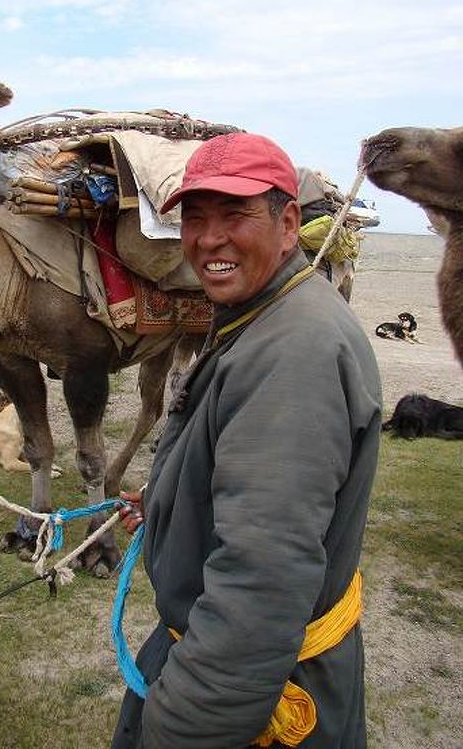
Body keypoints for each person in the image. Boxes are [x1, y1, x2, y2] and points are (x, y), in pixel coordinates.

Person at [111, 133, 381, 748]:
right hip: (236, 652)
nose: (209, 239)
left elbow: (263, 576)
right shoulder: (265, 313)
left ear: (287, 223)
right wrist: (171, 504)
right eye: (194, 218)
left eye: (234, 215)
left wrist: (185, 725)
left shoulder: (295, 354)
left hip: (250, 679)